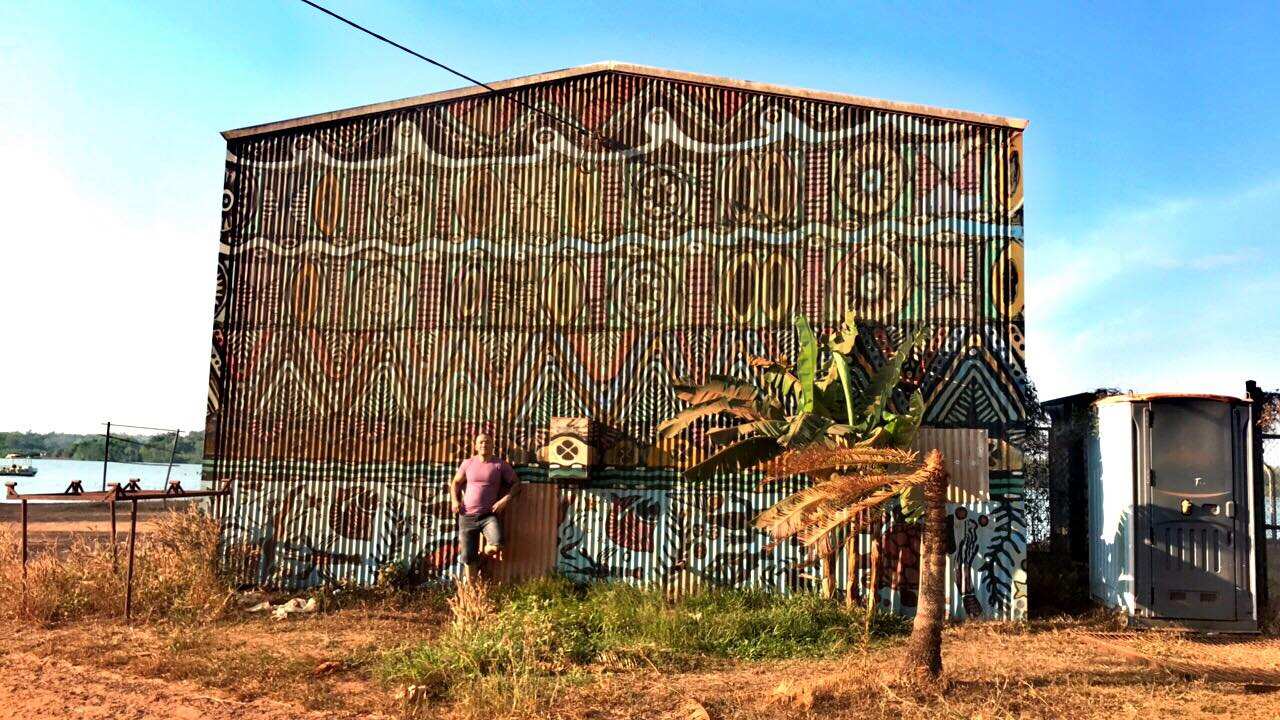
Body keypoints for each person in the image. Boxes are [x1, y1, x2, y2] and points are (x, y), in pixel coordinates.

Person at [451, 432, 520, 582]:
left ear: (492, 445)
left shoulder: (500, 465)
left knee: (497, 544)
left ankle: (481, 558)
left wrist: (504, 500)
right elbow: (455, 483)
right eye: (481, 442)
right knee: (468, 558)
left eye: (487, 442)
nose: (484, 444)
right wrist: (454, 501)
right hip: (466, 515)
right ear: (476, 446)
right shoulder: (468, 463)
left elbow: (516, 484)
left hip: (488, 515)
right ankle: (471, 591)